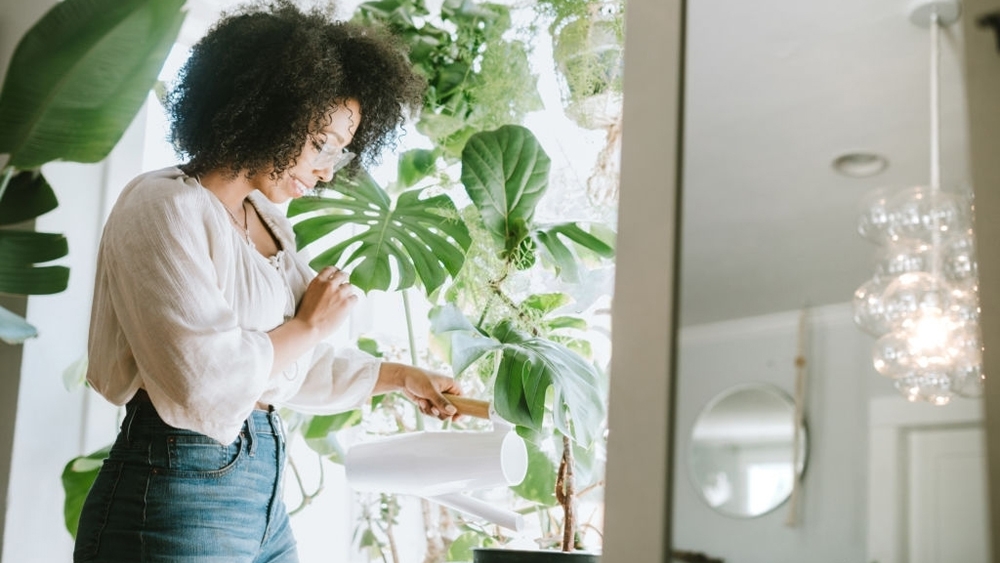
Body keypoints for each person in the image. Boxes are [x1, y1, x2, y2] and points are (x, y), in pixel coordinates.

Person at [74, 2, 460, 561]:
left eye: (342, 149)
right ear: (269, 110)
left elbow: (283, 366)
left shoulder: (269, 223)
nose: (330, 168)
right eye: (322, 143)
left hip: (263, 491)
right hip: (178, 490)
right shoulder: (161, 205)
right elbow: (203, 382)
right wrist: (306, 324)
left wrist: (402, 377)